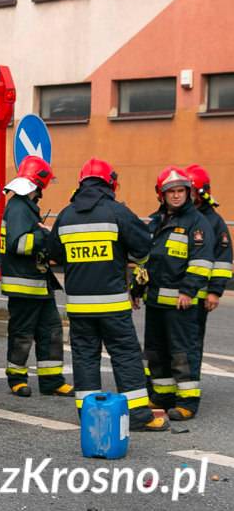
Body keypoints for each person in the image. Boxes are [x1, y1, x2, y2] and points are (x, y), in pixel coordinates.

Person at [48, 158, 167, 432]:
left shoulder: (65, 216)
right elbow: (142, 247)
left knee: (85, 357)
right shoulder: (117, 212)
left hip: (78, 307)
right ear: (110, 183)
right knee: (125, 355)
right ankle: (137, 416)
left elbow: (54, 255)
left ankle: (89, 414)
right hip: (112, 304)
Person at [133, 167, 214, 422]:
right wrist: (137, 289)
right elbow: (144, 261)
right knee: (156, 352)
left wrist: (188, 291)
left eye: (181, 191)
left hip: (182, 304)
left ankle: (187, 401)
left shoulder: (197, 223)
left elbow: (201, 262)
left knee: (182, 352)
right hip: (155, 301)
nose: (177, 196)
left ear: (188, 193)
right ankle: (162, 395)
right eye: (171, 192)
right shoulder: (155, 222)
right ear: (161, 195)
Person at [0, 156, 73, 398]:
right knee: (22, 334)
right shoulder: (19, 207)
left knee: (51, 331)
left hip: (38, 284)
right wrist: (45, 236)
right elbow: (19, 244)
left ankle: (52, 380)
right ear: (38, 184)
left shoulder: (26, 206)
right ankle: (17, 379)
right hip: (24, 286)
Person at [185, 164, 233, 368]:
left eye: (191, 191)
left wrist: (214, 291)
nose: (186, 195)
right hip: (174, 293)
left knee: (192, 342)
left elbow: (222, 259)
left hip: (199, 296)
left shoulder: (214, 221)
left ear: (202, 192)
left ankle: (188, 386)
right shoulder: (176, 215)